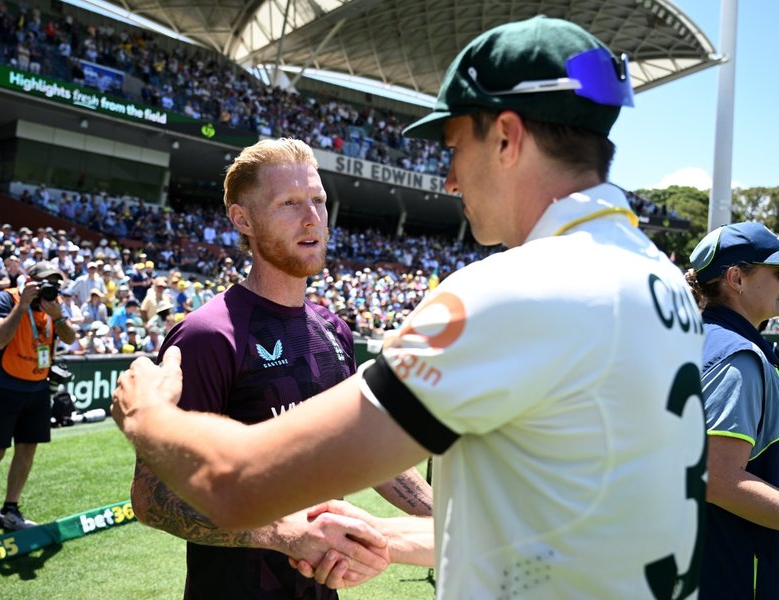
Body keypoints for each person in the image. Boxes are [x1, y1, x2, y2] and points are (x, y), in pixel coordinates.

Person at [112, 17, 706, 598]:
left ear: (505, 137)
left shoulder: (515, 289)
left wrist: (148, 416)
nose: (449, 180)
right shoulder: (664, 279)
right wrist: (383, 540)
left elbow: (237, 483)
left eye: (453, 147)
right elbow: (553, 516)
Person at [128, 138, 432, 599]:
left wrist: (443, 519)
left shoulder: (333, 329)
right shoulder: (208, 336)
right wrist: (284, 533)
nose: (312, 218)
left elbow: (360, 446)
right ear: (243, 219)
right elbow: (153, 497)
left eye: (318, 201)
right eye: (289, 203)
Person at [684, 222, 779, 599]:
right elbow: (718, 477)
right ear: (736, 278)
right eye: (776, 273)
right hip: (735, 572)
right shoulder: (737, 357)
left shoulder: (695, 337)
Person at [0, 262, 75, 540]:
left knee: (27, 448)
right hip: (2, 385)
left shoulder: (53, 304)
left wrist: (58, 317)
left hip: (36, 386)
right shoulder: (7, 298)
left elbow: (70, 337)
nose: (51, 288)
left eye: (55, 284)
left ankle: (10, 510)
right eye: (45, 282)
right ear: (29, 281)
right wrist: (21, 308)